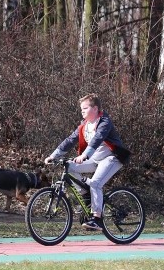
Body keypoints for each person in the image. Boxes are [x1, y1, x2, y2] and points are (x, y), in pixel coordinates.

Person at [44, 93, 130, 231]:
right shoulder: (84, 125)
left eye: (85, 108)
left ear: (95, 109)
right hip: (95, 159)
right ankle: (87, 196)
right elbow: (70, 140)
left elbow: (97, 139)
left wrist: (84, 155)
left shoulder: (104, 122)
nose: (82, 111)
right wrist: (53, 155)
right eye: (81, 109)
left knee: (95, 183)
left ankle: (97, 219)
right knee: (69, 167)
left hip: (112, 158)